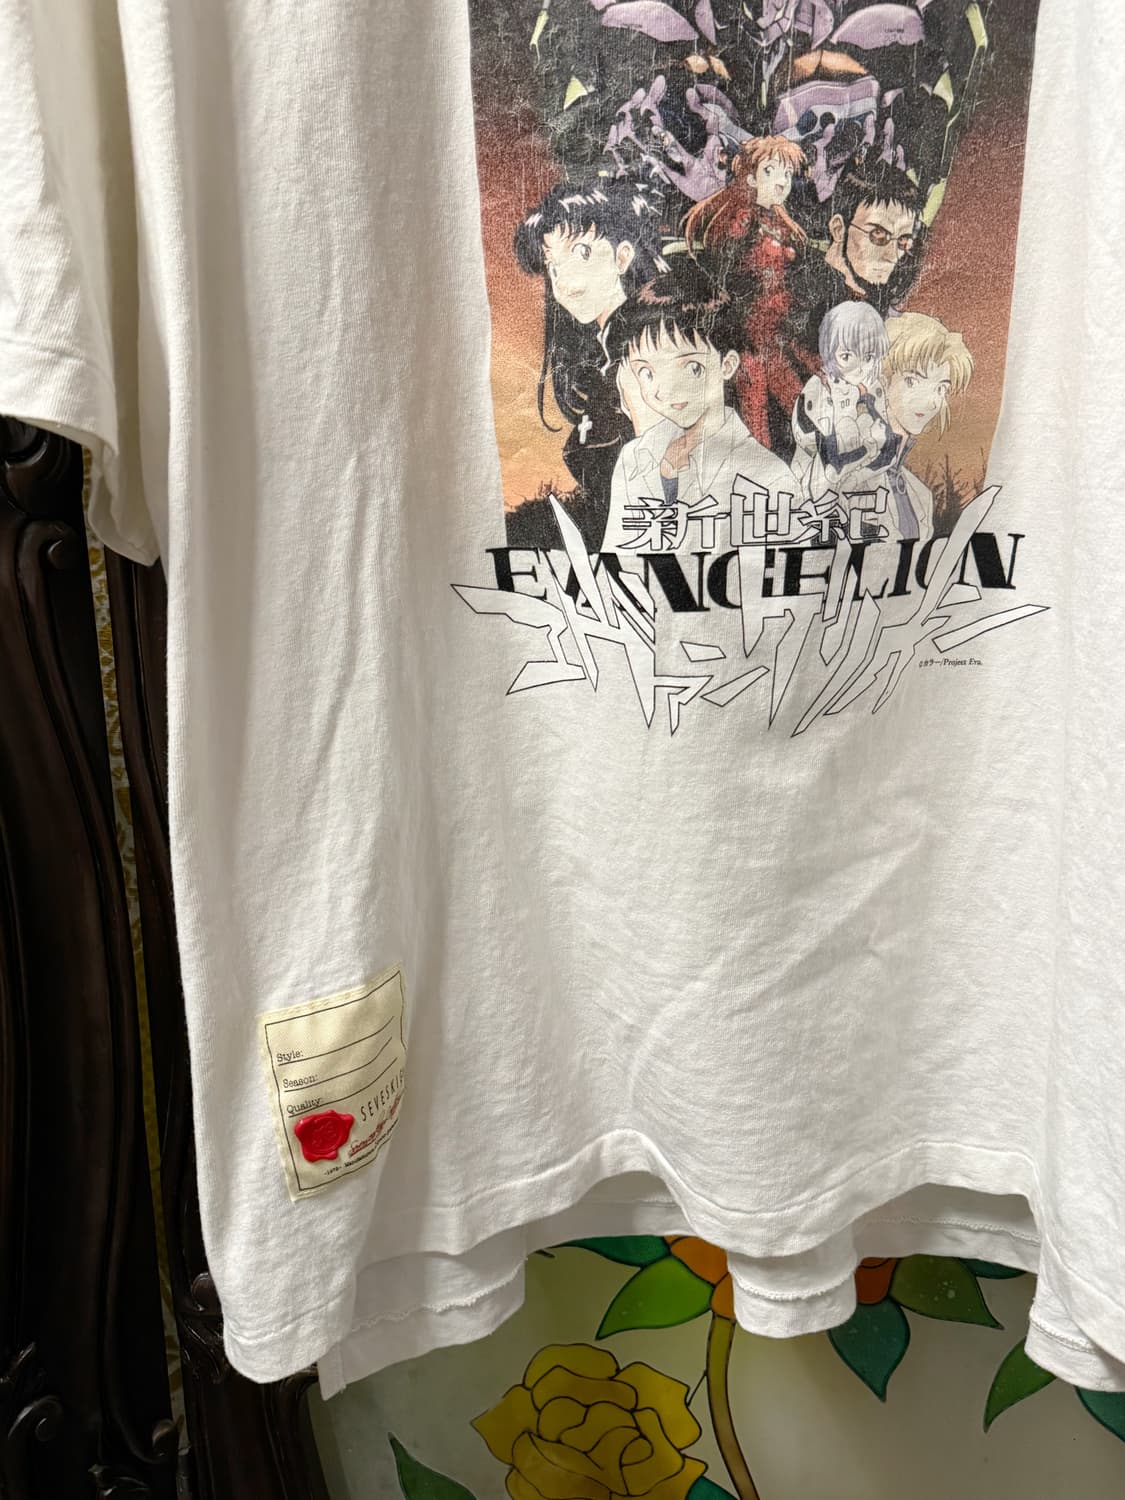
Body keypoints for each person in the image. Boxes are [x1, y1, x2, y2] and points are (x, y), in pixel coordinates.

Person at [513, 179, 670, 547]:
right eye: (553, 266)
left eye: (582, 253)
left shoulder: (648, 349)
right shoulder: (602, 356)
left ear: (622, 257)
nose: (564, 281)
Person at [602, 267, 803, 554]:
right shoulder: (633, 458)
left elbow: (779, 572)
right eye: (647, 372)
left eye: (691, 368)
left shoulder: (769, 478)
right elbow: (615, 559)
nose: (665, 390)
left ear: (727, 365)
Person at [683, 136, 814, 453]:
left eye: (787, 174)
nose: (781, 181)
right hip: (746, 339)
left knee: (803, 405)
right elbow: (722, 272)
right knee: (755, 417)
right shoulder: (742, 219)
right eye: (771, 171)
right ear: (752, 178)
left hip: (775, 336)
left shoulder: (779, 222)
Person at [787, 158, 923, 353]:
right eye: (878, 234)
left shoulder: (877, 306)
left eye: (903, 241)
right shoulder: (801, 291)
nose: (892, 255)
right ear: (838, 229)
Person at [791, 300, 899, 539]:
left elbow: (889, 451)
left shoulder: (873, 388)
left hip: (864, 497)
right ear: (829, 353)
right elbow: (832, 467)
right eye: (848, 355)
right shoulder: (819, 391)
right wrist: (867, 447)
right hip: (817, 500)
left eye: (868, 356)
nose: (860, 367)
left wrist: (859, 473)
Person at [881, 310, 975, 541]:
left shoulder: (920, 495)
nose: (931, 401)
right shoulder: (850, 477)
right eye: (912, 381)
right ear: (882, 379)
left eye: (940, 388)